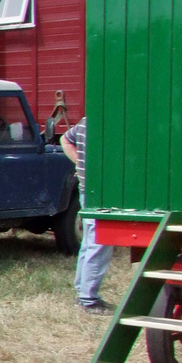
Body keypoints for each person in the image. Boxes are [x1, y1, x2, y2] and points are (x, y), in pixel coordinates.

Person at [61, 116, 113, 314]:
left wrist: (79, 163)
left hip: (87, 188)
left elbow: (65, 139)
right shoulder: (103, 123)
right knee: (99, 242)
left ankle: (84, 293)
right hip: (99, 191)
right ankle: (88, 300)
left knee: (90, 241)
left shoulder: (86, 121)